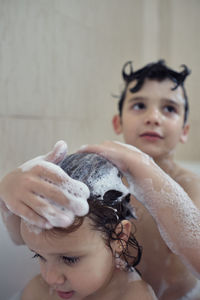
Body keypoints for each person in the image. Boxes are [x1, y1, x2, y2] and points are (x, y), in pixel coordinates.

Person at [0, 60, 200, 299]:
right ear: (118, 122)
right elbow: (23, 236)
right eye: (139, 105)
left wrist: (145, 168)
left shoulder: (190, 187)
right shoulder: (96, 182)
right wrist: (7, 188)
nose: (153, 117)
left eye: (169, 108)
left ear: (185, 130)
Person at [19, 152, 157, 300]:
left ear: (119, 237)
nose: (50, 278)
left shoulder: (136, 297)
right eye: (39, 255)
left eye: (69, 259)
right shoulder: (39, 292)